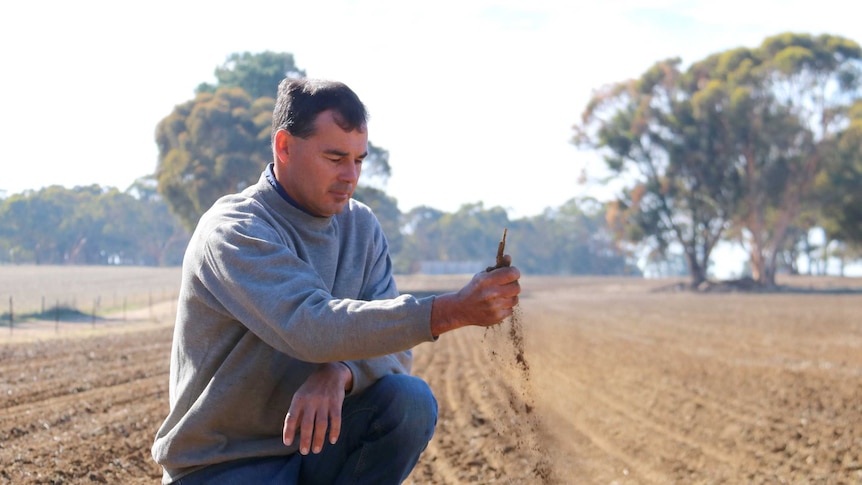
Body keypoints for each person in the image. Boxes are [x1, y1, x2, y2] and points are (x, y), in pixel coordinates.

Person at [151, 77, 521, 484]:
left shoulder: (361, 226)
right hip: (223, 467)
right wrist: (451, 310)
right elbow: (310, 325)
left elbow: (395, 356)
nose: (351, 176)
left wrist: (341, 372)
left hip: (313, 452)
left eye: (359, 160)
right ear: (284, 147)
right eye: (335, 158)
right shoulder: (234, 229)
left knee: (409, 401)